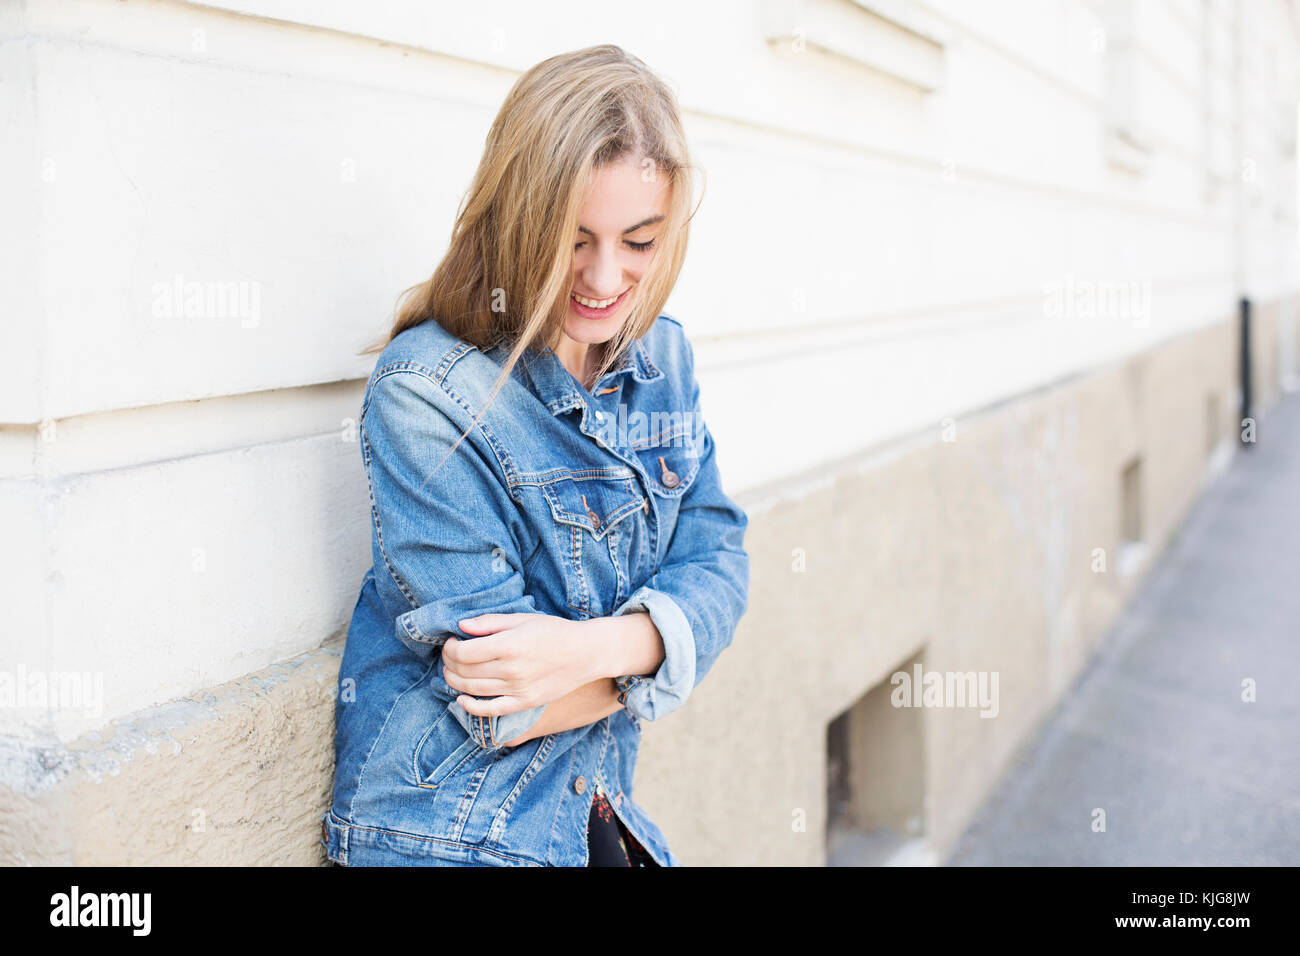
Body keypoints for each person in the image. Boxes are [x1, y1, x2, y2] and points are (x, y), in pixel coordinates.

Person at [321, 44, 749, 867]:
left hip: (594, 806)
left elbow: (722, 561)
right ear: (519, 215)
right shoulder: (427, 393)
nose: (604, 276)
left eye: (640, 241)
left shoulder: (664, 362)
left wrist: (597, 652)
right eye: (574, 237)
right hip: (446, 833)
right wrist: (669, 650)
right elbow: (499, 705)